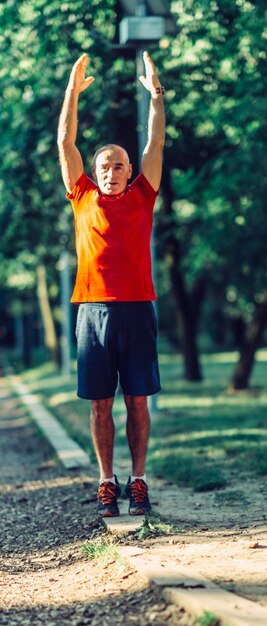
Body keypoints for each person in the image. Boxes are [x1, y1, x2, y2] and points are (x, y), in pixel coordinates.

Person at [57, 52, 165, 518]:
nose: (111, 171)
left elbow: (155, 143)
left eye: (119, 165)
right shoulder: (82, 196)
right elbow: (65, 141)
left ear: (128, 171)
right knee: (100, 404)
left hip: (137, 308)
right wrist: (71, 93)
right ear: (95, 173)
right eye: (104, 165)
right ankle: (107, 481)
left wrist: (157, 97)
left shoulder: (143, 194)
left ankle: (138, 481)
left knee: (137, 400)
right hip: (92, 312)